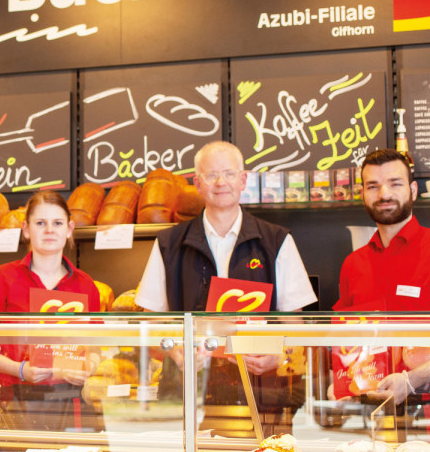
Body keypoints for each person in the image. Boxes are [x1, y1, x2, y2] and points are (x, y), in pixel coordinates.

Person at [135, 141, 318, 373]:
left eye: (229, 174)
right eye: (211, 175)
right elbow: (151, 320)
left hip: (258, 390)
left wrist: (280, 355)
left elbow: (293, 323)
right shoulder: (168, 244)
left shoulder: (276, 241)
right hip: (187, 387)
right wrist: (173, 348)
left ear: (242, 181)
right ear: (198, 184)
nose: (221, 182)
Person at [0, 190, 102, 431]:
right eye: (41, 223)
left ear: (70, 229)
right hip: (16, 403)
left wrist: (88, 367)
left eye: (57, 223)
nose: (49, 230)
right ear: (27, 229)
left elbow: (94, 348)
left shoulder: (86, 285)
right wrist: (20, 370)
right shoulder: (1, 278)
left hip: (71, 404)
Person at [334, 148, 430, 312]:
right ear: (363, 195)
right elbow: (345, 330)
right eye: (373, 186)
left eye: (395, 184)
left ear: (413, 190)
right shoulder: (352, 265)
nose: (384, 195)